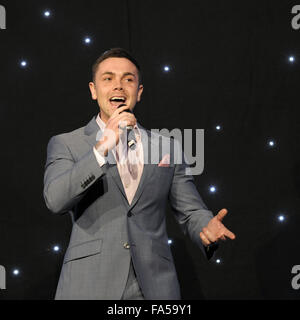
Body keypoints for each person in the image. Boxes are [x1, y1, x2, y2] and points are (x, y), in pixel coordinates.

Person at [43, 48, 236, 300]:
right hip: (90, 284)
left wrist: (205, 228)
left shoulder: (167, 146)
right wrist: (102, 147)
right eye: (108, 78)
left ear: (139, 92)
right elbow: (55, 199)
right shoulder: (66, 143)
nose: (118, 87)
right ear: (93, 90)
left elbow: (190, 212)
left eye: (128, 79)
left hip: (154, 286)